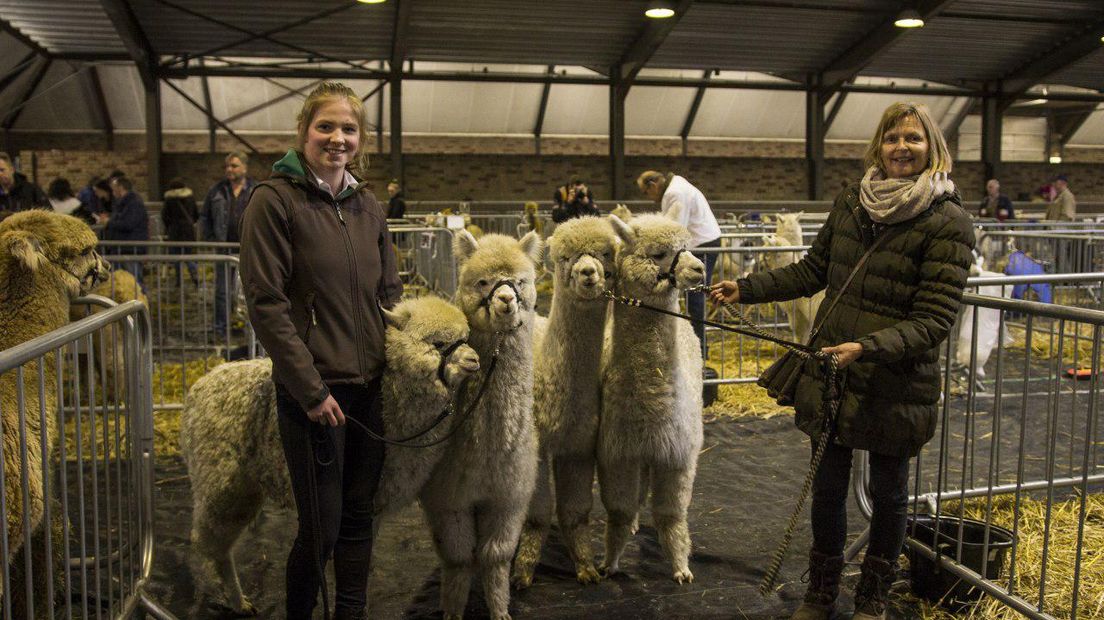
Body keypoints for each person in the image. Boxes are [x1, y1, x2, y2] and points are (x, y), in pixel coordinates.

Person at [712, 102, 974, 620]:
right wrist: (746, 288)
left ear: (933, 149)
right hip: (833, 370)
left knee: (890, 491)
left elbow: (934, 319)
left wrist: (867, 347)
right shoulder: (852, 202)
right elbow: (813, 270)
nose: (902, 147)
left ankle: (873, 595)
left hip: (894, 377)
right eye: (893, 138)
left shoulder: (948, 221)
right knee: (827, 486)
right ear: (878, 146)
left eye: (914, 139)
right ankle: (822, 591)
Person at [240, 81, 402, 620]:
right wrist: (310, 391)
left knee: (360, 516)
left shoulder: (367, 205)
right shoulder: (274, 201)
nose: (338, 139)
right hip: (316, 395)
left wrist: (400, 362)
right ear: (304, 133)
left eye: (349, 129)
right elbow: (267, 304)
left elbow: (390, 294)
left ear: (362, 139)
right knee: (322, 527)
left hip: (369, 387)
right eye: (325, 127)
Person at [637, 169, 721, 358]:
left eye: (645, 192)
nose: (649, 197)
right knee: (693, 295)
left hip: (702, 244)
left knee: (695, 295)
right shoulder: (676, 185)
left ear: (653, 185)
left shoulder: (675, 193)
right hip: (701, 243)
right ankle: (695, 345)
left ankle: (699, 349)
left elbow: (672, 230)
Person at [203, 151, 256, 334]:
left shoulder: (255, 190)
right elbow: (206, 216)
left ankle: (251, 327)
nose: (229, 170)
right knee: (222, 291)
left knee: (249, 290)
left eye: (233, 166)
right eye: (227, 166)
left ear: (244, 167)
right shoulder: (216, 190)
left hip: (248, 249)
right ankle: (221, 327)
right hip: (223, 248)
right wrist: (210, 237)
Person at [100, 176, 150, 288]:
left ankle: (142, 302)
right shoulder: (125, 204)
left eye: (114, 189)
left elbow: (128, 224)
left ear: (120, 188)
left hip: (129, 248)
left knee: (135, 282)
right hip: (122, 247)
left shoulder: (133, 203)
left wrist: (109, 222)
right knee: (121, 282)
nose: (112, 192)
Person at [162, 178, 200, 286]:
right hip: (188, 231)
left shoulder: (169, 199)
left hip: (174, 232)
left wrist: (169, 227)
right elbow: (196, 214)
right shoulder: (190, 198)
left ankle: (179, 280)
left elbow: (165, 216)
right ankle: (194, 274)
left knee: (177, 257)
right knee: (189, 256)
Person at [0, 152, 48, 218]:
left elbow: (48, 214)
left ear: (12, 169)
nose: (0, 174)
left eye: (2, 170)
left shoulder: (31, 190)